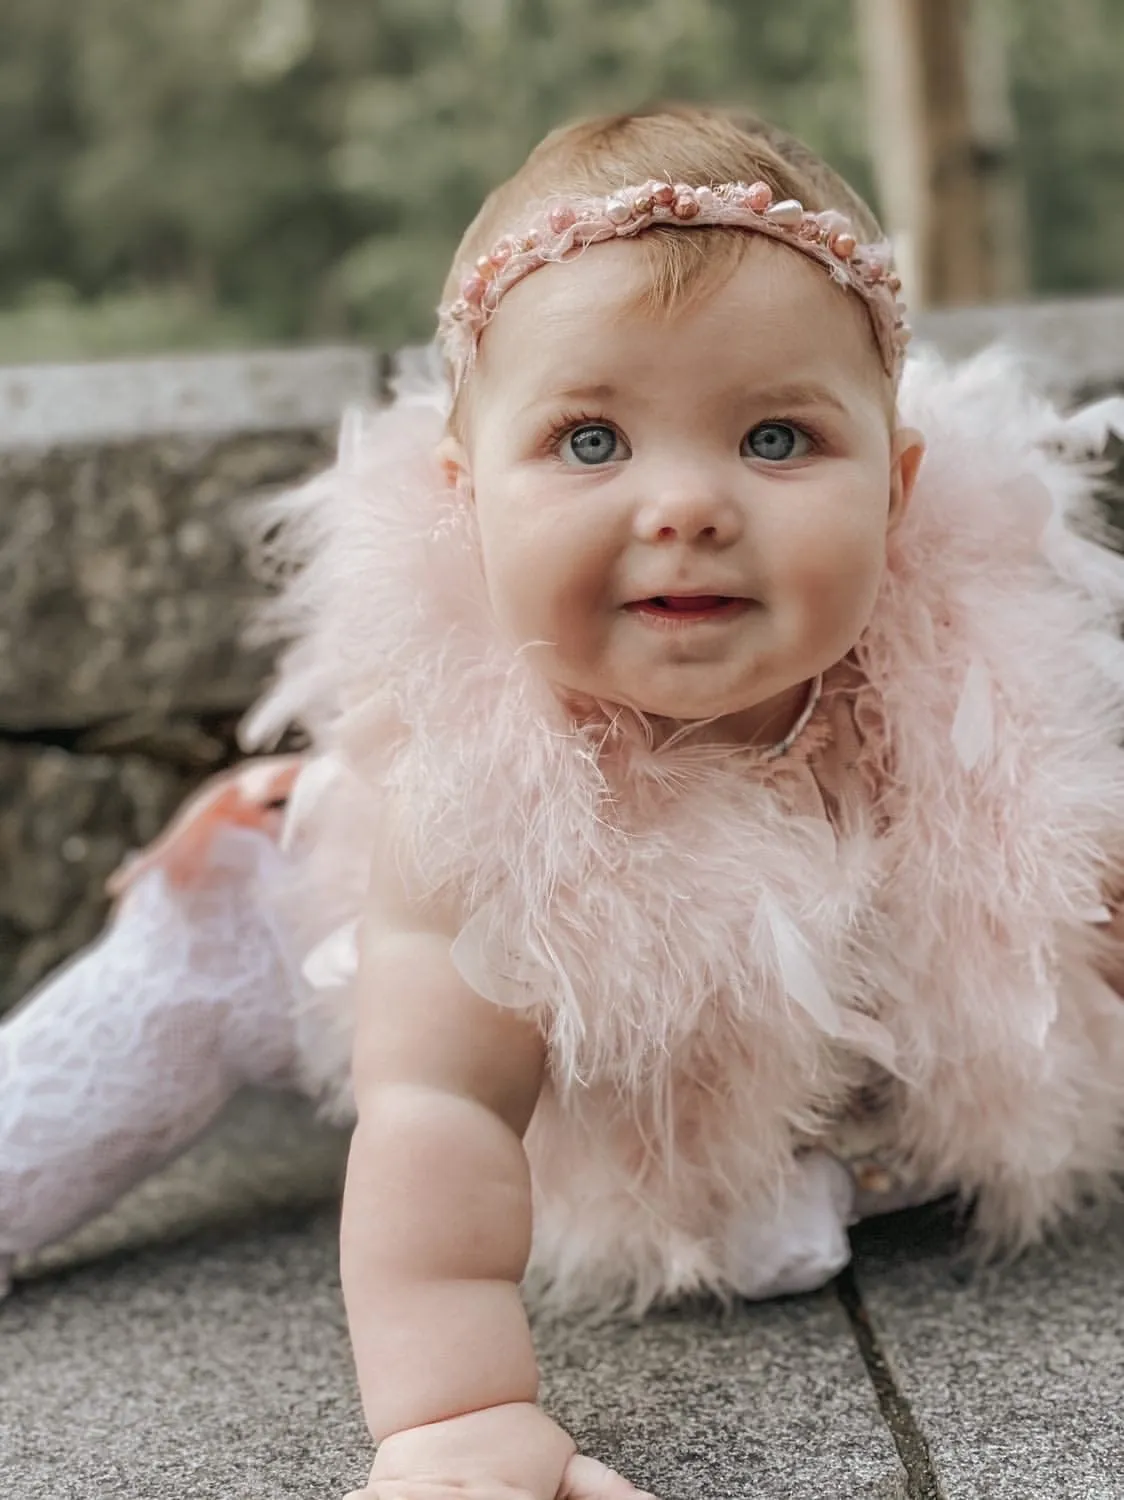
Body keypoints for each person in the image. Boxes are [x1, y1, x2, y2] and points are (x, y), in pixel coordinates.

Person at [3, 104, 1124, 1500]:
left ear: (898, 492)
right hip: (294, 915)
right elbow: (443, 1112)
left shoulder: (973, 693)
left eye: (777, 438)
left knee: (795, 1212)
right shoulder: (467, 795)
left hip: (719, 1015)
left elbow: (1072, 899)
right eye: (592, 443)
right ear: (465, 501)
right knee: (139, 1027)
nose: (688, 506)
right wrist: (456, 1418)